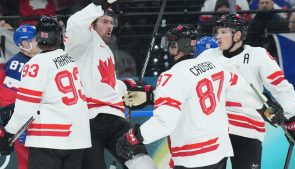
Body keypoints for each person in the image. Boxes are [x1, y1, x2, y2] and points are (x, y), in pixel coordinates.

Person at [116, 24, 234, 169]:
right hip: (220, 151)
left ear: (174, 47)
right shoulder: (214, 66)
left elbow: (165, 122)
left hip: (193, 156)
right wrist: (154, 95)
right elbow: (193, 95)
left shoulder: (171, 76)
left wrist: (134, 136)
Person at [64, 0, 157, 169]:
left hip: (115, 120)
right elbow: (75, 23)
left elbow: (107, 85)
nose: (110, 26)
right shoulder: (81, 41)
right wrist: (100, 4)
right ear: (92, 24)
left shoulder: (105, 50)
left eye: (112, 23)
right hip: (88, 120)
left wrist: (129, 87)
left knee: (144, 164)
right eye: (105, 21)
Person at [209, 13, 295, 169]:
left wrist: (286, 112)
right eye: (217, 32)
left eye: (223, 32)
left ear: (237, 35)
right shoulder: (208, 57)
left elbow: (283, 89)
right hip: (215, 130)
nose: (218, 36)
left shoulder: (257, 55)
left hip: (248, 131)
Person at [0, 16, 91, 169]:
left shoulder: (36, 63)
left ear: (38, 38)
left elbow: (25, 110)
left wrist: (9, 134)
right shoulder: (70, 58)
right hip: (78, 137)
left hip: (49, 138)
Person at [0, 24, 39, 169]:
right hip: (22, 119)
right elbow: (11, 97)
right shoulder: (17, 63)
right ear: (23, 44)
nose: (36, 42)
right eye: (32, 39)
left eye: (36, 38)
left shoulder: (35, 59)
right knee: (28, 161)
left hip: (27, 118)